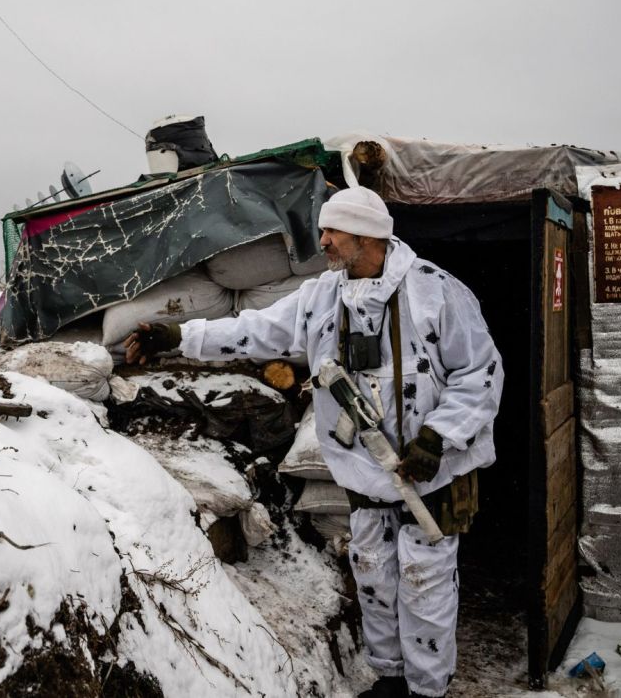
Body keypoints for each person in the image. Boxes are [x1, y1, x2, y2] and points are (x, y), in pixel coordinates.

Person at [125, 186, 504, 698]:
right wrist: (179, 337)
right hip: (365, 473)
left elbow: (480, 371)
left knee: (424, 586)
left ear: (366, 236)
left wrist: (439, 436)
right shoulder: (323, 296)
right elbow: (255, 330)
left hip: (428, 476)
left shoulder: (433, 291)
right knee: (373, 578)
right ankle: (390, 680)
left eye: (332, 231)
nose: (322, 240)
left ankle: (427, 690)